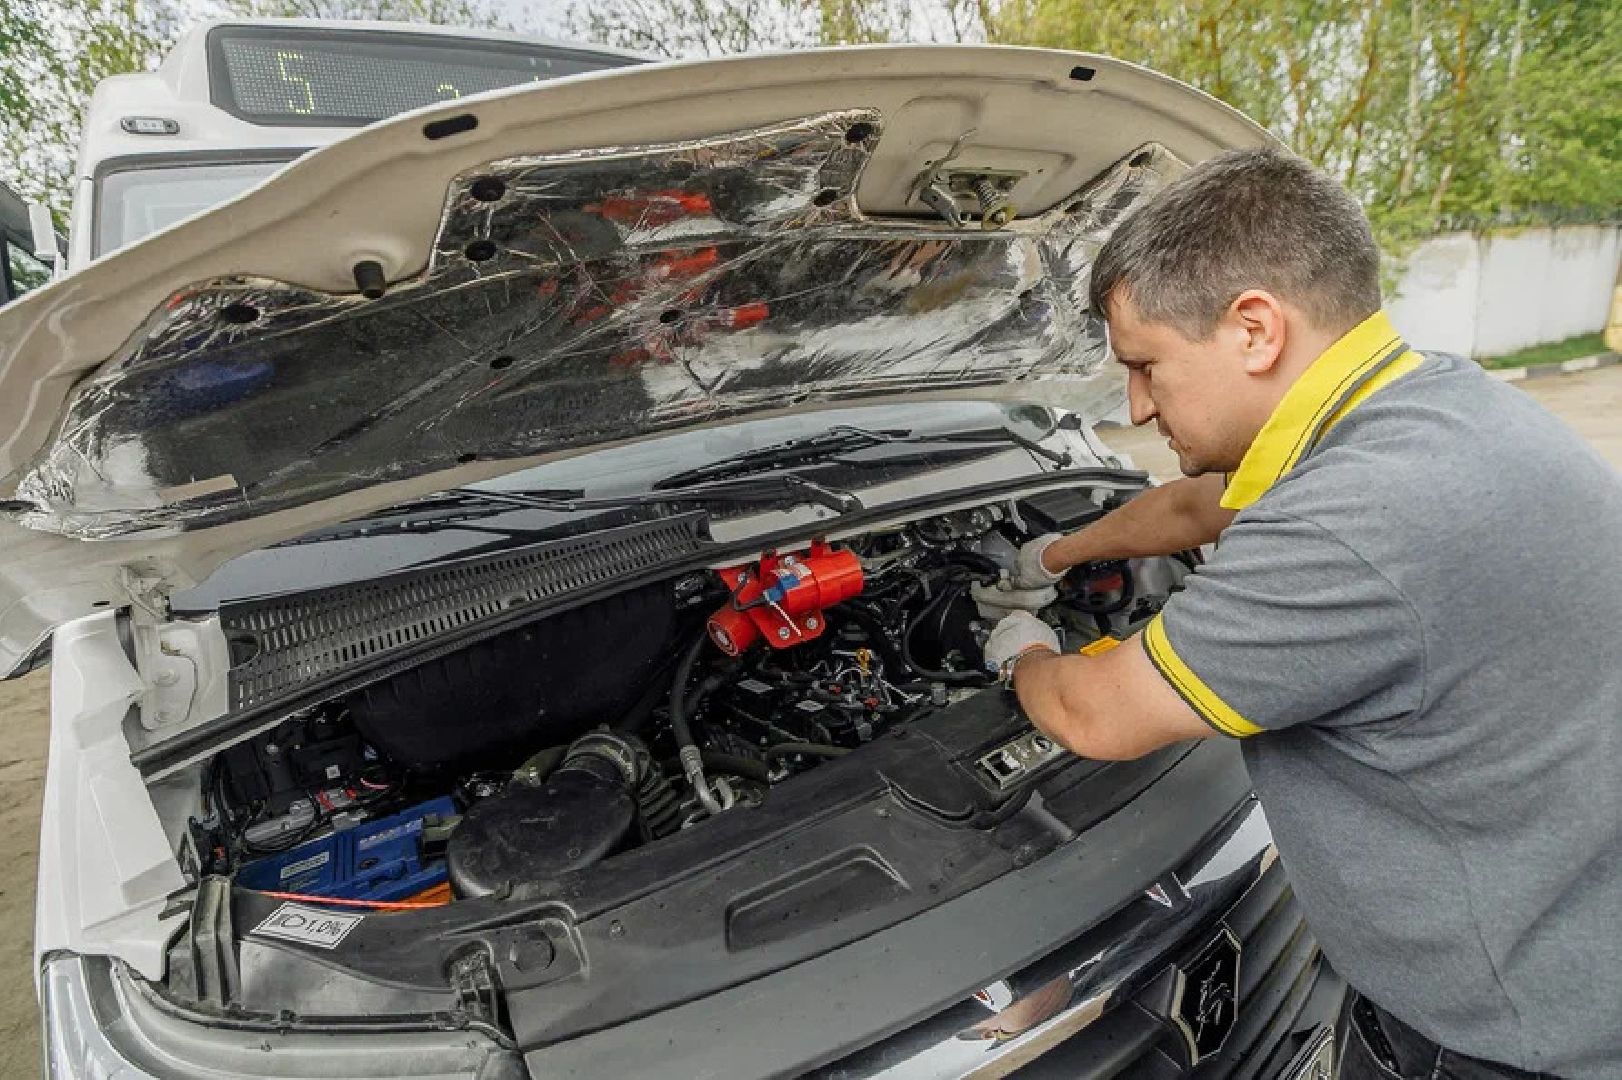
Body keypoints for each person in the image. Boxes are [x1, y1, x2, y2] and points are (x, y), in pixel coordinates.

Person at [980, 147, 1622, 1079]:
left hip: (1499, 1040)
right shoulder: (1427, 403)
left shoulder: (1357, 519)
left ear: (1253, 329)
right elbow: (1202, 505)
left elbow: (1097, 714)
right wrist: (1055, 554)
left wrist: (1019, 650)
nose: (1134, 405)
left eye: (1146, 366)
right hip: (1566, 916)